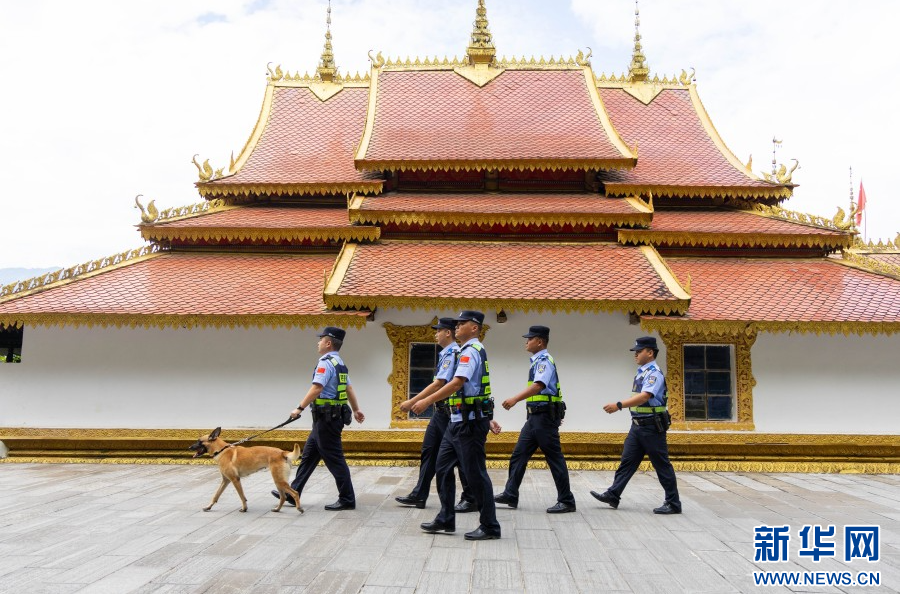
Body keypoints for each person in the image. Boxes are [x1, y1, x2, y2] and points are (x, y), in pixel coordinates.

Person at [412, 310, 501, 540]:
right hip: (458, 421)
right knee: (441, 467)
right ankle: (445, 518)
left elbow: (457, 383)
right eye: (457, 323)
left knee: (476, 474)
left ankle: (490, 525)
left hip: (469, 424)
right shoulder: (464, 351)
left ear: (474, 328)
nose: (457, 326)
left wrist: (426, 401)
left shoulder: (472, 351)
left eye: (462, 323)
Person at [272, 326, 365, 511]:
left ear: (328, 343)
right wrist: (356, 409)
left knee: (335, 459)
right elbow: (349, 389)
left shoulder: (325, 362)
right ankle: (293, 492)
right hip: (328, 418)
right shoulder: (340, 363)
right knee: (309, 456)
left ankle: (347, 498)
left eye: (321, 339)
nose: (318, 342)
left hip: (327, 419)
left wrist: (299, 408)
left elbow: (317, 388)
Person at [590, 336, 681, 514]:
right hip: (638, 426)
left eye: (639, 351)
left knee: (661, 464)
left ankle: (673, 503)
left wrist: (619, 405)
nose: (636, 354)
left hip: (652, 427)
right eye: (636, 352)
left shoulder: (654, 373)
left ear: (650, 352)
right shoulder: (642, 372)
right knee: (627, 461)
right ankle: (613, 494)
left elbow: (645, 396)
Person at [495, 325, 575, 513]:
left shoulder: (544, 361)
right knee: (519, 455)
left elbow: (539, 385)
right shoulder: (537, 361)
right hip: (534, 418)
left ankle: (567, 500)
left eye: (530, 339)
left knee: (554, 458)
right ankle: (510, 493)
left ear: (539, 341)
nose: (526, 341)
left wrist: (515, 398)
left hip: (544, 418)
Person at [395, 317, 474, 510]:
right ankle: (419, 494)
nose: (435, 334)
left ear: (448, 333)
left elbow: (439, 383)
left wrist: (414, 401)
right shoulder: (447, 353)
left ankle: (470, 497)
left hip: (450, 413)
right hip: (440, 413)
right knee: (429, 451)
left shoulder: (453, 353)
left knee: (458, 456)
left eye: (438, 330)